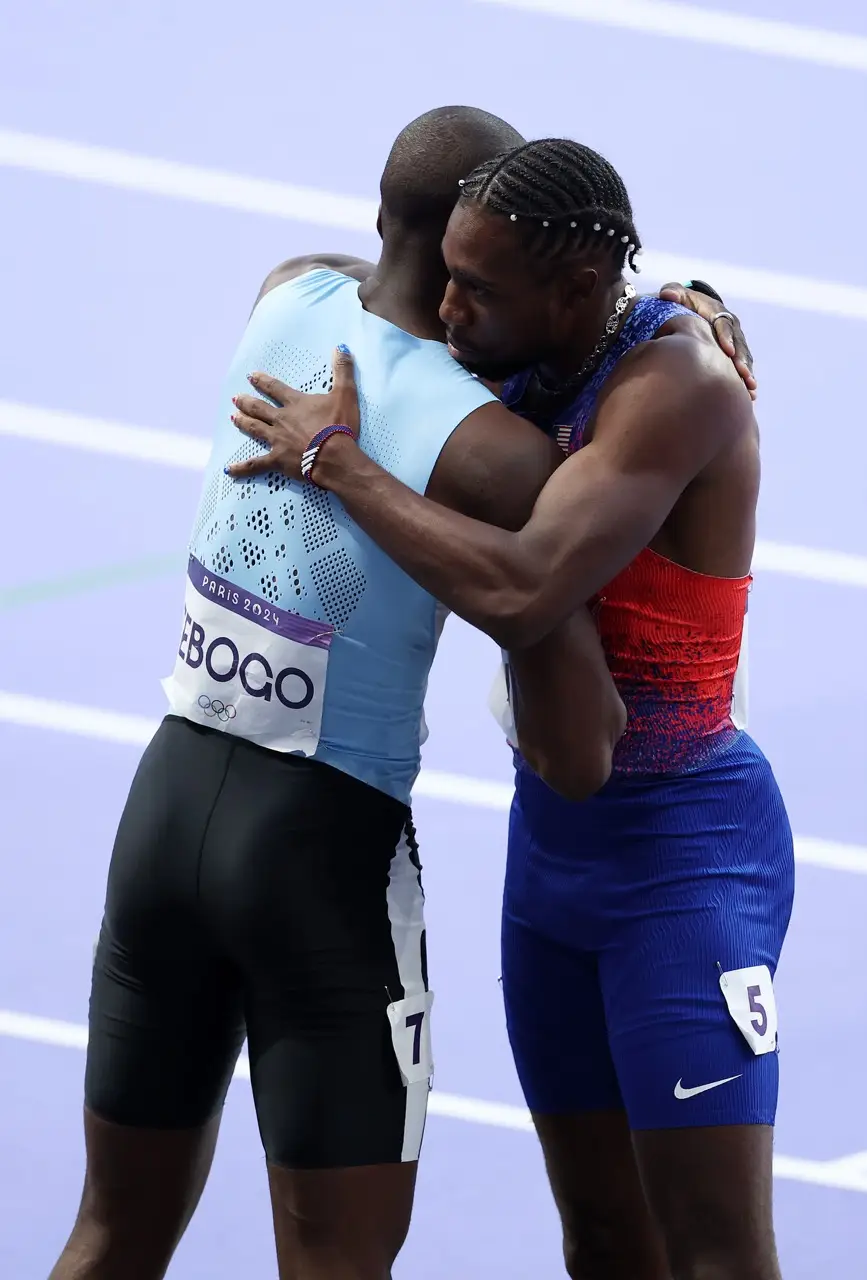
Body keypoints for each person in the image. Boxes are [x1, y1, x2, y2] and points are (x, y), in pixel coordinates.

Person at [49, 107, 641, 1280]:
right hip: (321, 857)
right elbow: (579, 750)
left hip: (164, 810)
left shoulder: (285, 295)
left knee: (110, 1235)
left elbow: (340, 277)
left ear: (384, 216)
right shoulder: (493, 451)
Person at [226, 137, 792, 1280]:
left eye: (473, 287)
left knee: (717, 1258)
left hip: (682, 856)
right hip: (551, 859)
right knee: (600, 1242)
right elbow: (360, 279)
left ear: (577, 290)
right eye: (447, 272)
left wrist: (335, 459)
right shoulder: (526, 328)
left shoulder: (673, 389)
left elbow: (532, 587)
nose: (445, 306)